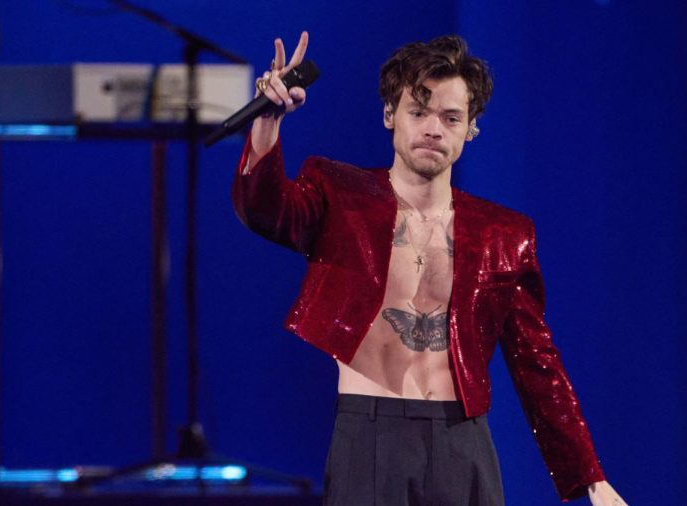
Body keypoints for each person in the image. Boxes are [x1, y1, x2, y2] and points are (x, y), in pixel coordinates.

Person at [232, 32, 627, 506]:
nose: (433, 128)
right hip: (370, 431)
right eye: (418, 111)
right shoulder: (341, 194)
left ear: (471, 128)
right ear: (389, 116)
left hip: (463, 439)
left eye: (450, 117)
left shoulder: (505, 234)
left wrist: (589, 476)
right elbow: (266, 211)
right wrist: (267, 121)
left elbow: (536, 362)